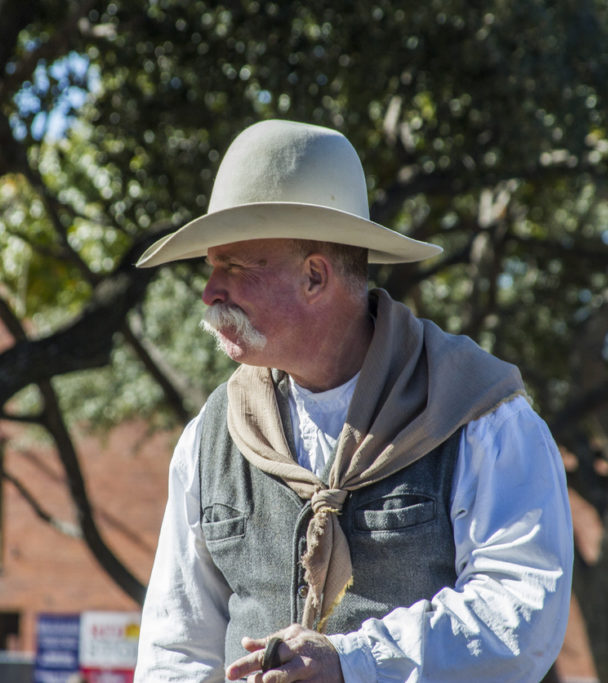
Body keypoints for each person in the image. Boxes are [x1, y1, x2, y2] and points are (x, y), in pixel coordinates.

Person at [133, 119, 573, 682]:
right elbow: (175, 650)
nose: (210, 291)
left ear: (316, 276)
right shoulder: (211, 437)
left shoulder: (479, 415)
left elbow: (520, 616)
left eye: (235, 268)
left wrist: (355, 663)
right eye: (211, 267)